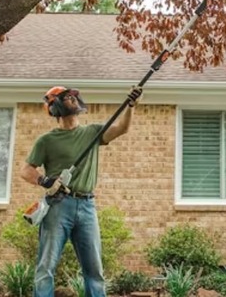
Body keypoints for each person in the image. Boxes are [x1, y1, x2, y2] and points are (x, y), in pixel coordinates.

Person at [20, 85, 142, 297]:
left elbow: (122, 128)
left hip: (87, 206)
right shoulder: (47, 141)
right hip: (59, 206)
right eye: (67, 98)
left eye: (73, 97)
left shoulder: (93, 133)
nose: (73, 100)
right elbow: (26, 171)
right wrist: (45, 181)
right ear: (54, 107)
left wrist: (130, 105)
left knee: (94, 269)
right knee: (45, 267)